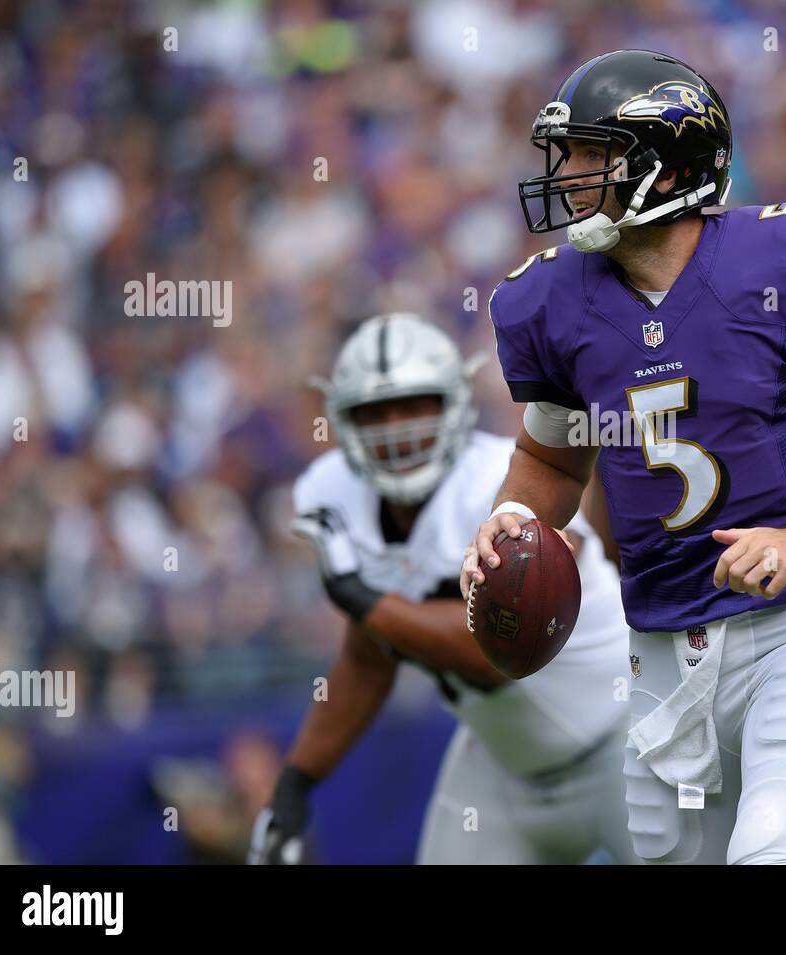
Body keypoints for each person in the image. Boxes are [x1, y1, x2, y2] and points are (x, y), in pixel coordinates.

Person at [461, 50, 786, 864]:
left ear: (666, 170)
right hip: (662, 657)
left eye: (596, 154)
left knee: (776, 850)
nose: (572, 174)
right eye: (573, 154)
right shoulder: (552, 301)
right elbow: (552, 463)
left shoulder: (784, 260)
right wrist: (512, 520)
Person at [251, 313, 637, 865]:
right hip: (501, 766)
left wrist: (358, 597)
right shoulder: (335, 493)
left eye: (414, 405)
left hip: (624, 743)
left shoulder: (502, 484)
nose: (397, 427)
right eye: (375, 412)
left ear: (454, 403)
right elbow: (371, 656)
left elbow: (502, 647)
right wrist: (295, 783)